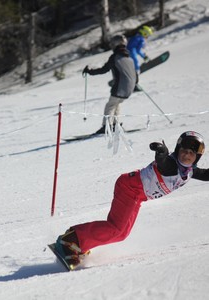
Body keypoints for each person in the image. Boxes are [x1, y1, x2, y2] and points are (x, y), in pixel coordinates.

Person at [54, 131, 209, 268]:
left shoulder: (188, 171)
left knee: (121, 234)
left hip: (137, 195)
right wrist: (161, 153)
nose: (187, 155)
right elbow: (163, 163)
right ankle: (71, 240)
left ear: (197, 157)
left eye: (191, 153)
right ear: (177, 150)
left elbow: (205, 175)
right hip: (129, 188)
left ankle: (79, 244)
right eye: (184, 151)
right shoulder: (171, 165)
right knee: (117, 229)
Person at [82, 35, 137, 134]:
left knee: (110, 105)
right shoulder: (130, 58)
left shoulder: (115, 57)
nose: (111, 46)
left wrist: (89, 71)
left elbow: (104, 69)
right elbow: (135, 74)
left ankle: (106, 127)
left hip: (120, 87)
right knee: (116, 103)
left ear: (116, 44)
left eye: (112, 44)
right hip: (129, 88)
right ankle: (116, 124)